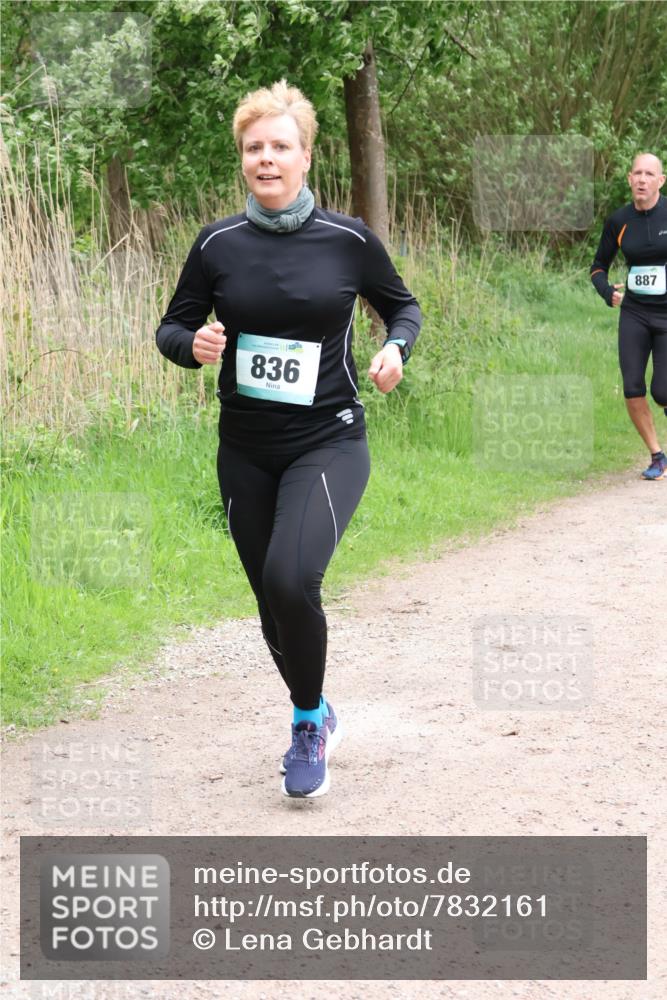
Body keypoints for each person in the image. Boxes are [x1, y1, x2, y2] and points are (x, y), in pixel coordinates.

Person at [155, 80, 421, 798]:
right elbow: (171, 328)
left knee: (289, 578)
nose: (265, 159)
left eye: (279, 147)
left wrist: (395, 349)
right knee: (270, 603)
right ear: (242, 159)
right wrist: (196, 345)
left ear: (305, 157)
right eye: (253, 148)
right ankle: (318, 707)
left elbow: (402, 307)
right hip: (244, 448)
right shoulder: (216, 243)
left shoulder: (347, 241)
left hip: (328, 439)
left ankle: (307, 724)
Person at [590, 152, 667, 480]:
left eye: (649, 174)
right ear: (629, 179)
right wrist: (608, 293)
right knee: (632, 386)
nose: (642, 179)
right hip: (634, 313)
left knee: (663, 391)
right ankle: (657, 456)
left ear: (660, 181)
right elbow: (597, 268)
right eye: (637, 173)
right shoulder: (618, 221)